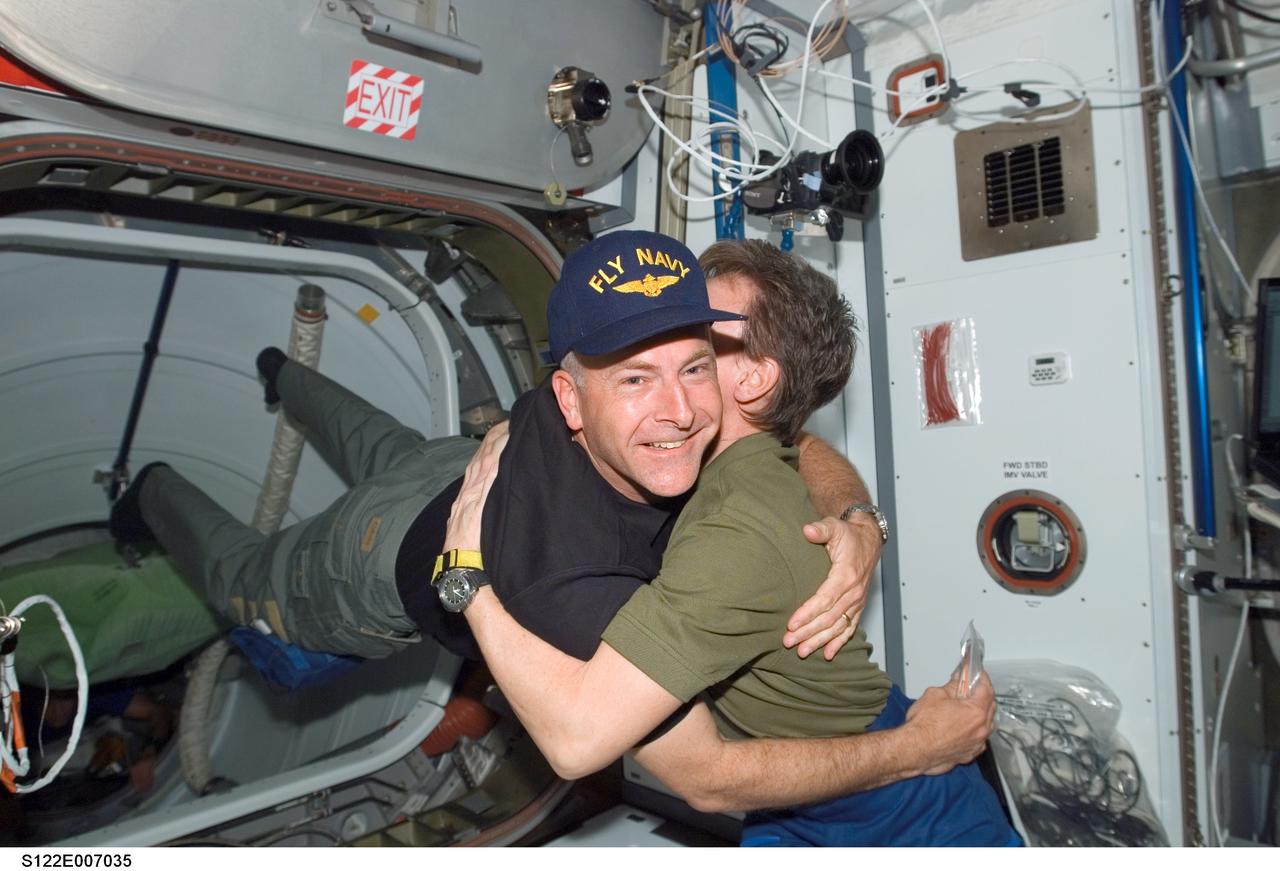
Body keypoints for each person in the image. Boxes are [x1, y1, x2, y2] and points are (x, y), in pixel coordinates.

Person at [109, 229, 990, 813]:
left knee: (375, 440)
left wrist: (859, 518)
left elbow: (798, 445)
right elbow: (636, 755)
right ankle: (150, 488)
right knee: (245, 578)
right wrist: (467, 578)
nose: (676, 391)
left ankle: (281, 371)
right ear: (573, 394)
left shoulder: (658, 409)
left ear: (749, 381)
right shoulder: (591, 585)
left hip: (458, 466)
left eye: (697, 350)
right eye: (641, 369)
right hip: (377, 559)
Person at [445, 238, 1016, 846]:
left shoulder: (736, 530)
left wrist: (467, 580)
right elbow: (802, 444)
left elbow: (580, 742)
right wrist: (861, 517)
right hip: (798, 790)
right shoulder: (719, 459)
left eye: (702, 330)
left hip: (903, 804)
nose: (670, 321)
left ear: (753, 378)